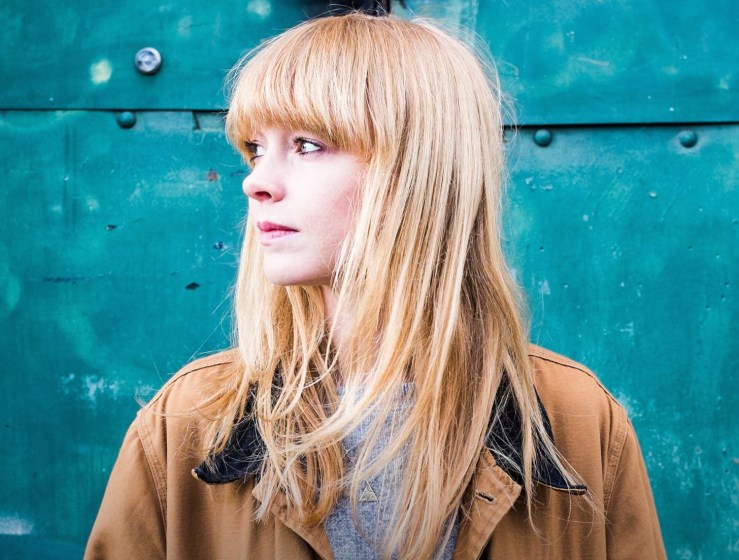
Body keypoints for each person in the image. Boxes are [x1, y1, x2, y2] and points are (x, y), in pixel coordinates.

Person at [85, 11, 666, 560]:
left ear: (418, 170)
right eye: (255, 149)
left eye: (307, 144)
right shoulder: (185, 426)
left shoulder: (580, 423)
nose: (256, 182)